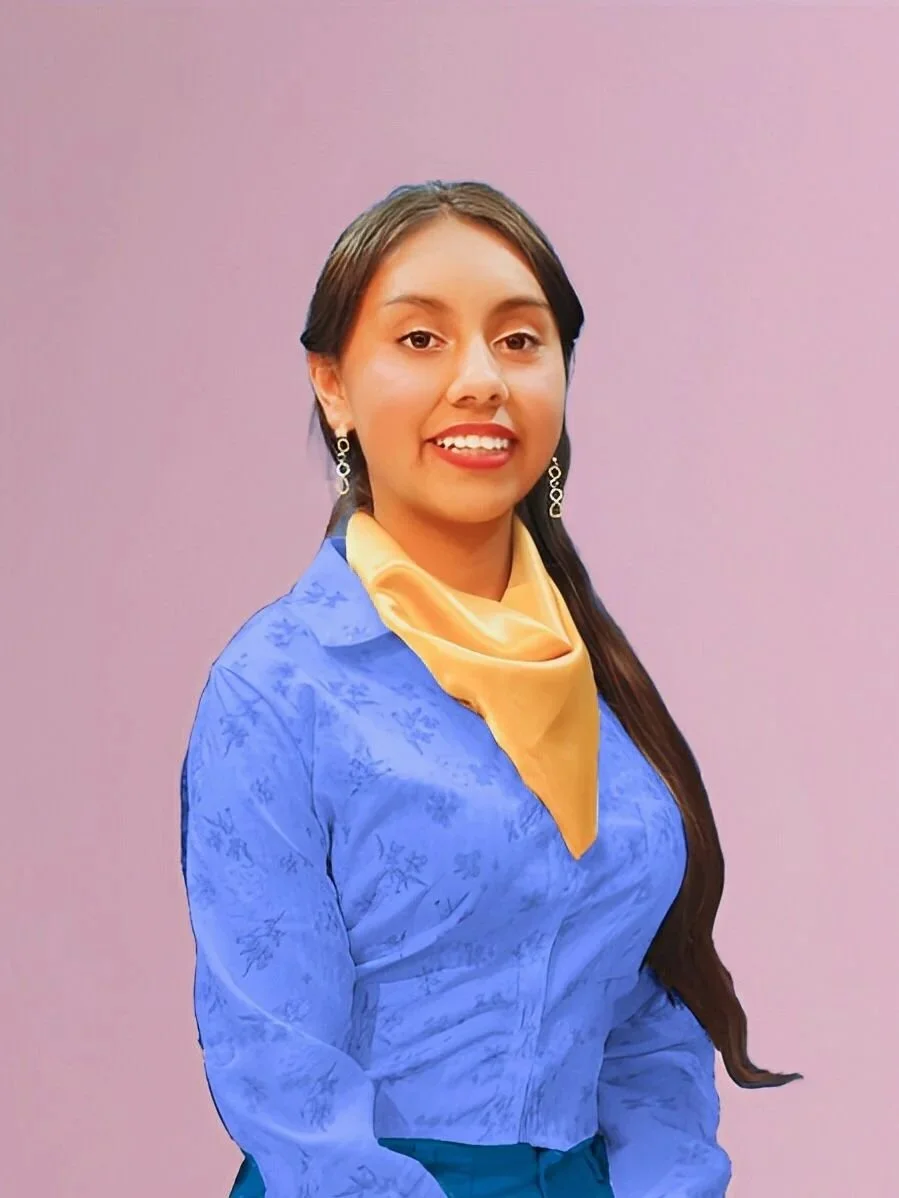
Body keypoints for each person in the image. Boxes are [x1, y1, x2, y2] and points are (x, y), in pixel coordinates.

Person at [179, 180, 801, 1198]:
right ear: (333, 385)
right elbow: (281, 1073)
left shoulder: (594, 678)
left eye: (518, 341)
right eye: (420, 340)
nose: (479, 381)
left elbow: (645, 1021)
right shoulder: (278, 688)